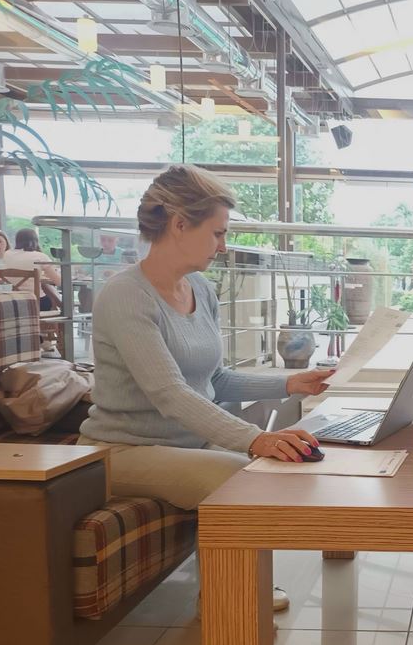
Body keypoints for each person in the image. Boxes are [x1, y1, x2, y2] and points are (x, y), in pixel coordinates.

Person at [78, 164, 335, 615]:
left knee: (276, 464)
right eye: (217, 233)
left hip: (185, 443)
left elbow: (213, 380)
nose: (223, 245)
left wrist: (289, 382)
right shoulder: (126, 296)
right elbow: (170, 393)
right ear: (179, 224)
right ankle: (228, 601)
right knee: (240, 476)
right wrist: (255, 439)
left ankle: (233, 586)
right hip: (123, 450)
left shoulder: (200, 289)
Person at [2, 227, 62, 310]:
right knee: (51, 297)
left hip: (11, 301)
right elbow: (58, 281)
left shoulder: (5, 254)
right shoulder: (40, 256)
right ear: (35, 241)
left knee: (46, 288)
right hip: (35, 301)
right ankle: (63, 314)